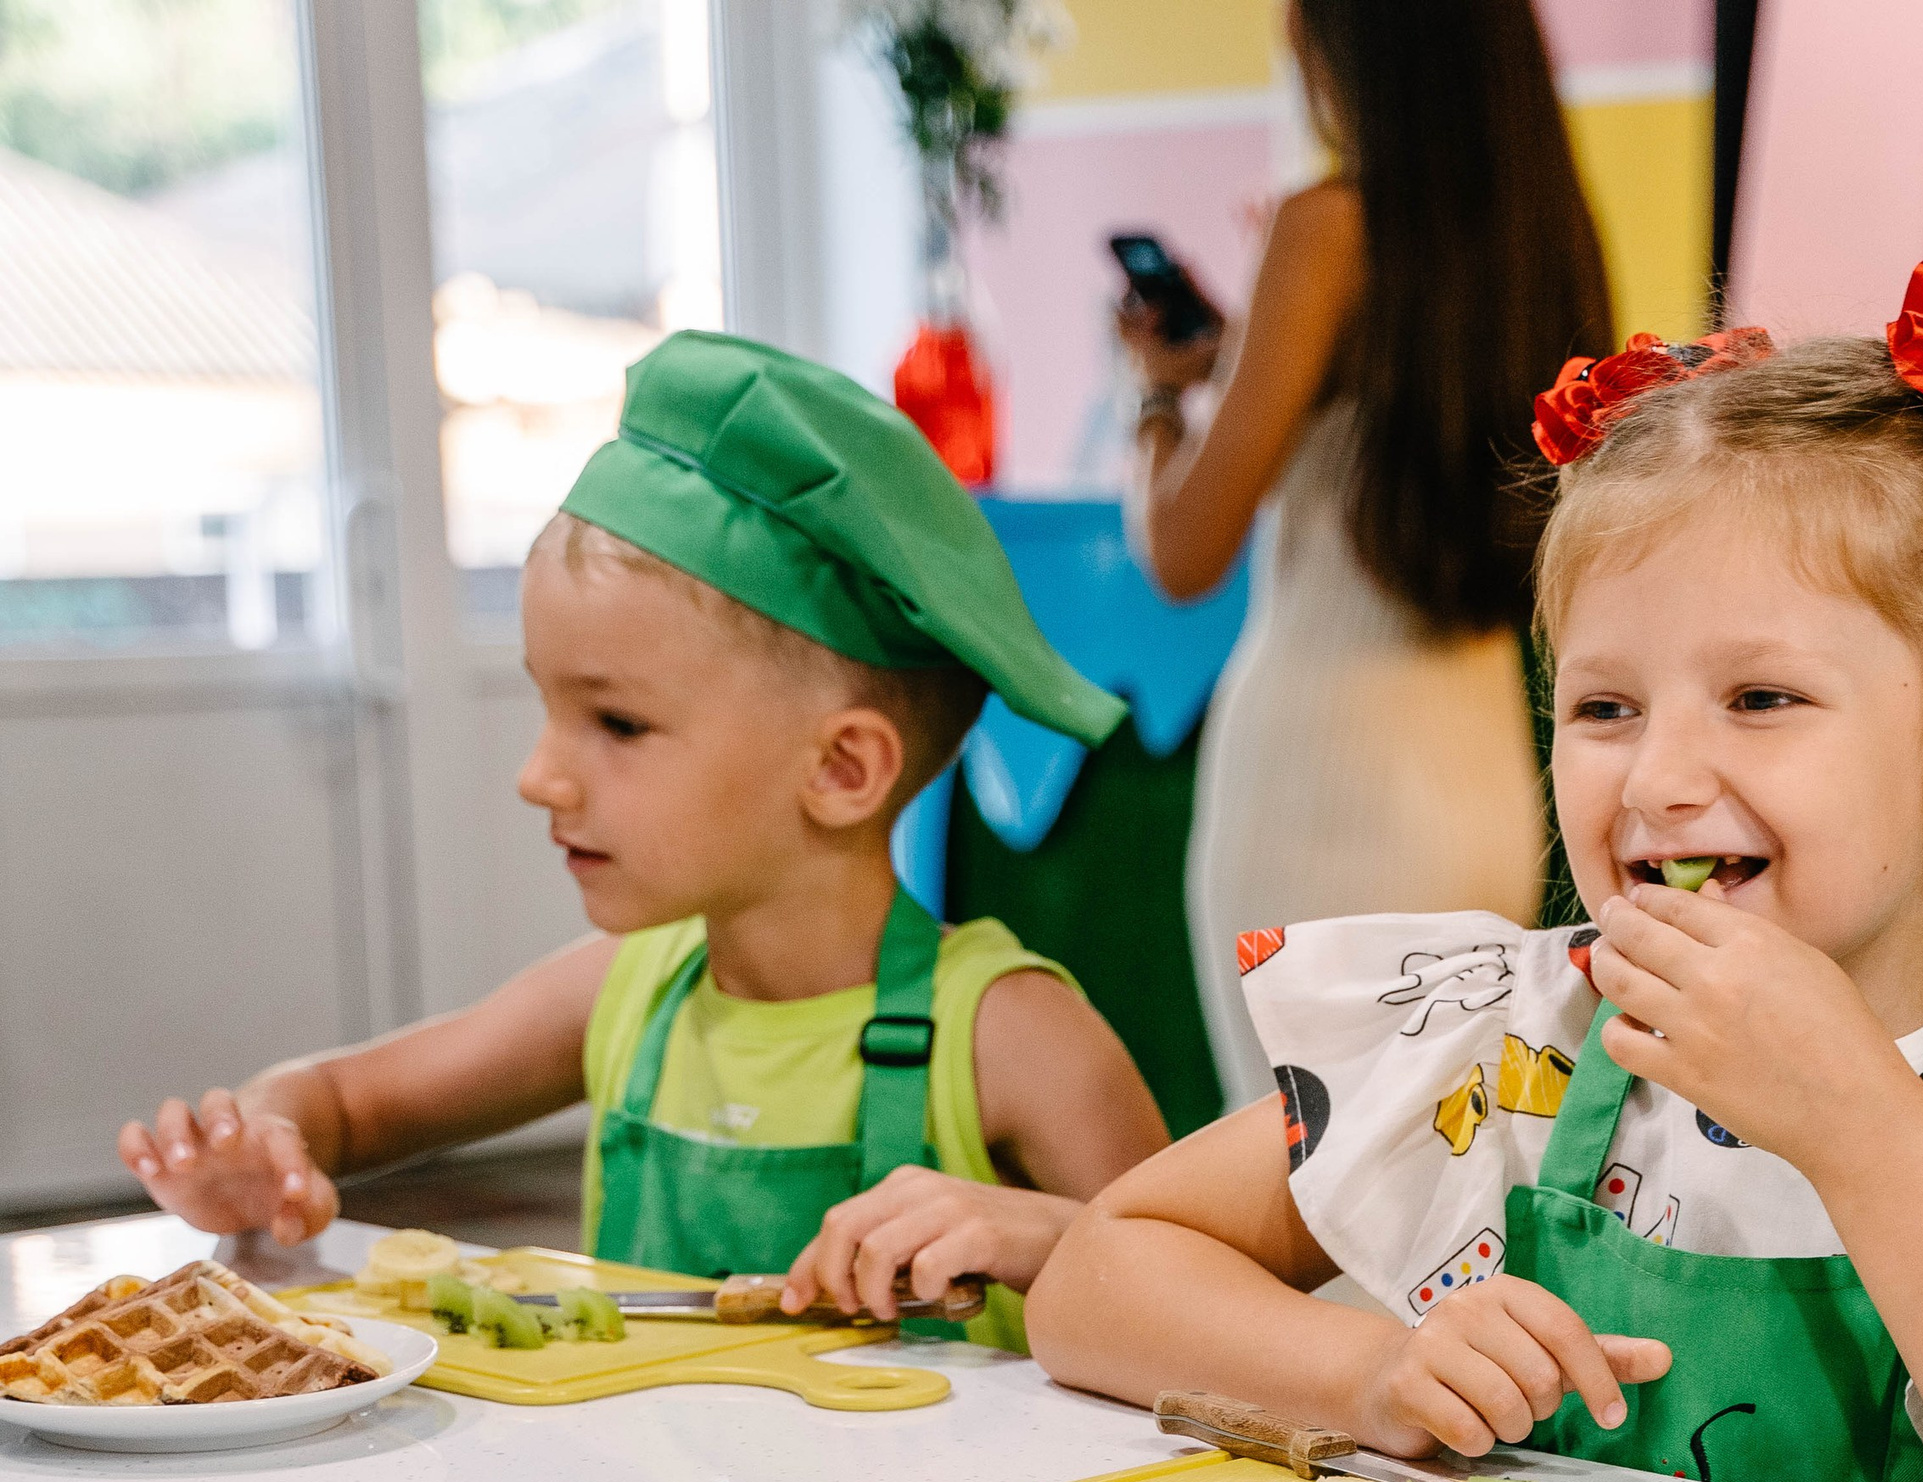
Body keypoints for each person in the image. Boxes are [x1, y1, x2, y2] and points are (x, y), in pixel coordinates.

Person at [1031, 235, 1923, 1482]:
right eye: (1605, 705)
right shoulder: (1507, 1037)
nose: (1664, 779)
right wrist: (1378, 1369)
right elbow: (1103, 1276)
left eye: (1762, 699)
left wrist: (1865, 1125)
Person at [119, 334, 1169, 1350]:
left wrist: (1045, 1236)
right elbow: (340, 1101)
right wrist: (263, 1148)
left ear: (842, 770)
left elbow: (1206, 1294)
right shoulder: (622, 990)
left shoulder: (1016, 1037)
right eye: (548, 707)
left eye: (617, 724)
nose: (539, 775)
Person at [1118, 0, 1610, 1110]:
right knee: (1434, 1202)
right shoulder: (1545, 246)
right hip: (1481, 792)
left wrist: (1153, 397)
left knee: (1297, 1183)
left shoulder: (1326, 228)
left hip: (1312, 776)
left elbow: (1182, 547)